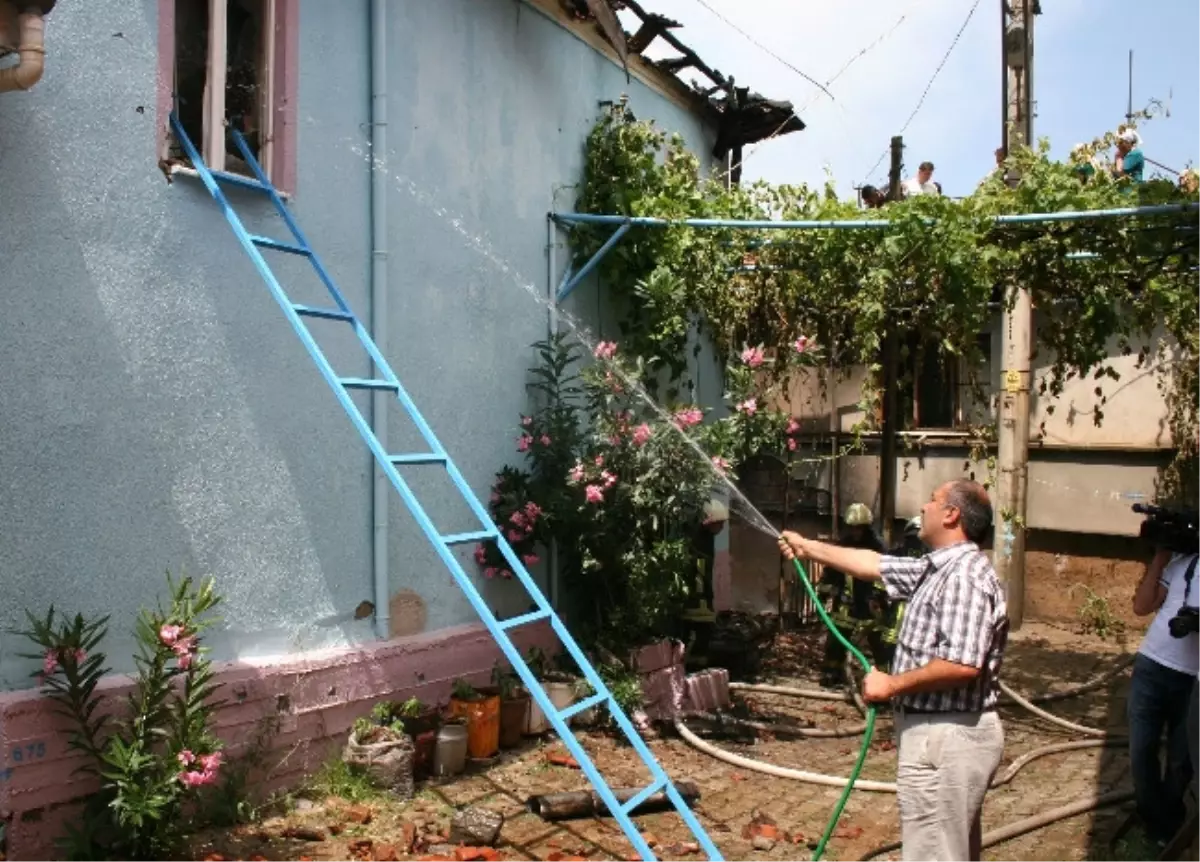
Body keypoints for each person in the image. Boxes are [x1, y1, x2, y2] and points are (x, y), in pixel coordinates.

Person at [780, 479, 1008, 862]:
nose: (923, 506)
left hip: (947, 735)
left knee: (932, 854)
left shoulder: (963, 577)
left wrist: (893, 683)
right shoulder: (933, 570)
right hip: (937, 730)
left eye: (932, 500)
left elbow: (963, 663)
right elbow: (873, 564)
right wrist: (808, 548)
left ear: (952, 514)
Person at [1129, 547, 1200, 846]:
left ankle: (1168, 826)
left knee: (1180, 761)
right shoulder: (1185, 562)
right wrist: (1159, 559)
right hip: (1152, 666)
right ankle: (1153, 821)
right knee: (1141, 751)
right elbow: (1142, 607)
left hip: (1193, 680)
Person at [816, 503, 889, 687]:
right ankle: (831, 674)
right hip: (845, 603)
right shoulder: (843, 545)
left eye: (859, 528)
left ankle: (886, 680)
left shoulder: (877, 547)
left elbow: (883, 572)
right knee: (836, 640)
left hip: (869, 603)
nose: (855, 532)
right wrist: (824, 594)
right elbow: (830, 571)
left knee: (877, 643)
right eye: (852, 528)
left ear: (866, 527)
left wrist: (877, 596)